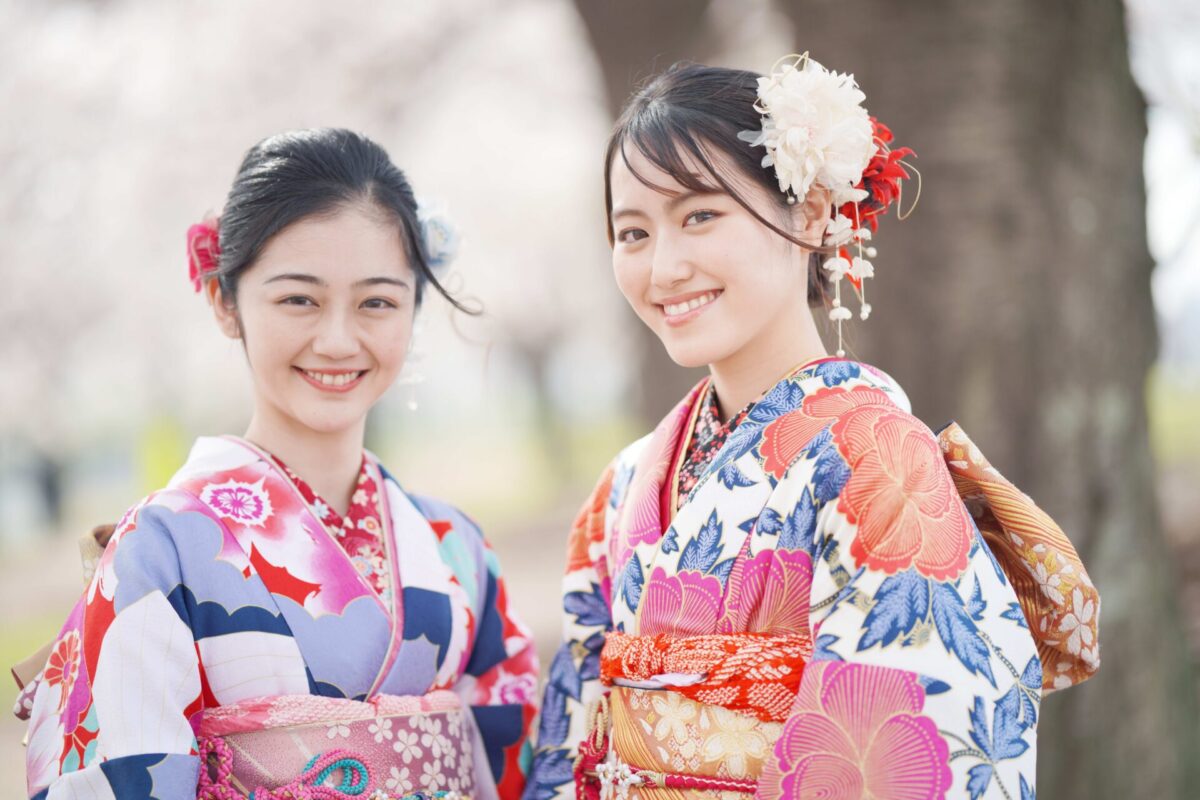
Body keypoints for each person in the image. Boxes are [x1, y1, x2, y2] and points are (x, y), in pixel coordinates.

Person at [524, 57, 1100, 800]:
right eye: (632, 232)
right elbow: (573, 735)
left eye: (699, 215)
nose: (663, 266)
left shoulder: (879, 467)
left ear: (811, 211)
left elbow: (911, 754)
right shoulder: (626, 484)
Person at [21, 128, 539, 800]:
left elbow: (518, 759)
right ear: (224, 302)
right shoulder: (160, 547)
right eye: (299, 298)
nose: (337, 338)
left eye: (377, 301)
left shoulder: (454, 545)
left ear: (415, 309)